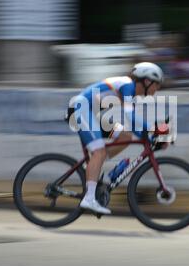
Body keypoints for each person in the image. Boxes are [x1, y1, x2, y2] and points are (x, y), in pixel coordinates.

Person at [69, 62, 165, 215]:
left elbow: (133, 126)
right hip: (80, 109)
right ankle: (89, 198)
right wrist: (154, 128)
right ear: (147, 81)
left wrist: (150, 138)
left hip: (89, 112)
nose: (158, 88)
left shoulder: (131, 93)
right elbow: (130, 116)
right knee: (99, 151)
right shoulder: (127, 86)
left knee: (125, 136)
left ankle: (95, 168)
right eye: (157, 84)